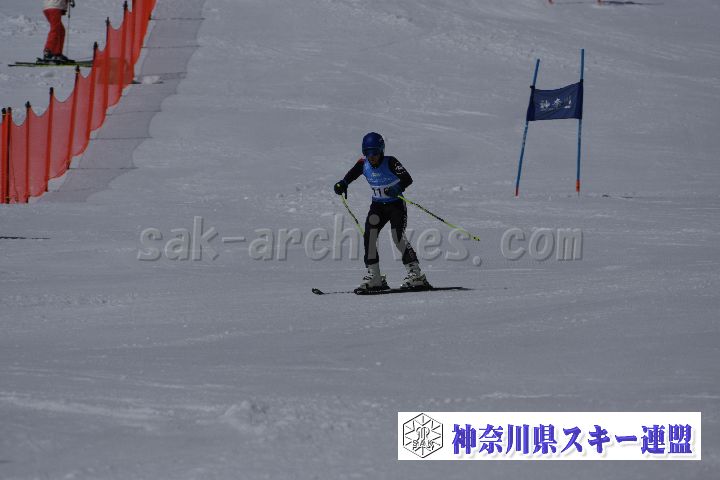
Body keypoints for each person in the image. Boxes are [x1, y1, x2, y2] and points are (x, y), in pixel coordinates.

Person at [334, 132, 430, 292]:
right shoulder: (363, 164)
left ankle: (416, 274)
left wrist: (398, 188)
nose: (372, 157)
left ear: (381, 151)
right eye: (368, 153)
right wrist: (343, 183)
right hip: (377, 206)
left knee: (397, 236)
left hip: (396, 205)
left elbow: (407, 179)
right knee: (369, 236)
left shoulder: (391, 162)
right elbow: (351, 175)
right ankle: (375, 276)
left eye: (375, 153)